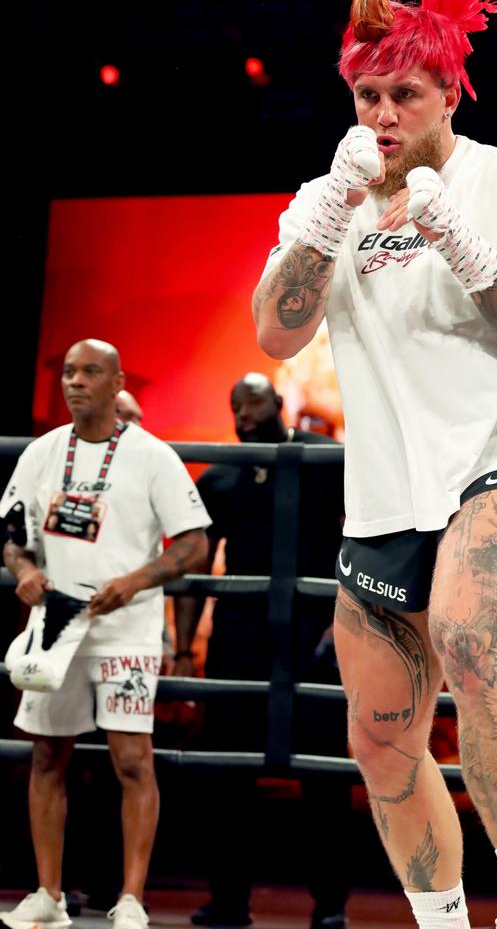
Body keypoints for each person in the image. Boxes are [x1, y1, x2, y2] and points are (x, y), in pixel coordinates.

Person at [252, 0, 497, 929]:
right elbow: (274, 331)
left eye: (405, 91)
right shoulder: (334, 199)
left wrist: (471, 253)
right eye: (367, 94)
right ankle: (443, 922)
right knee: (380, 735)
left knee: (469, 636)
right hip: (389, 493)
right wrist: (317, 225)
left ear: (448, 91)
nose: (384, 113)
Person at [0, 339, 209, 929]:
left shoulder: (151, 456)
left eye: (90, 372)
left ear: (117, 381)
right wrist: (26, 571)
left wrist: (136, 579)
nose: (75, 382)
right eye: (68, 372)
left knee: (133, 761)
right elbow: (13, 534)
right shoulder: (41, 454)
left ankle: (132, 899)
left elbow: (194, 542)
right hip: (55, 625)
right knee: (46, 756)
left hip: (126, 627)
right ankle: (47, 894)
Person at [173, 372, 350, 929]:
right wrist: (182, 648)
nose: (243, 415)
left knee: (324, 776)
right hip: (239, 638)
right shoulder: (220, 474)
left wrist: (355, 621)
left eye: (252, 403)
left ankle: (330, 908)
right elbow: (197, 560)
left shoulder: (329, 460)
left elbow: (370, 535)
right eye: (234, 407)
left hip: (316, 637)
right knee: (229, 775)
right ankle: (228, 901)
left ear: (278, 403)